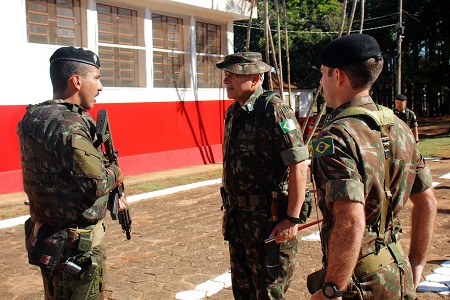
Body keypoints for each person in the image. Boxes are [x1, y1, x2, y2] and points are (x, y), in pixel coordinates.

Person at [309, 34, 437, 300]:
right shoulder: (399, 128)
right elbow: (427, 202)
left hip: (359, 283)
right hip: (397, 270)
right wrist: (416, 263)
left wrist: (333, 288)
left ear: (339, 76)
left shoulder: (337, 136)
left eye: (323, 74)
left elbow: (351, 219)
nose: (322, 83)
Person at [18, 46, 127, 300]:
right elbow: (96, 181)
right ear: (77, 81)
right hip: (73, 248)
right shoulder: (67, 123)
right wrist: (117, 172)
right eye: (97, 78)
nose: (100, 87)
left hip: (48, 238)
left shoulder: (35, 116)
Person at [216, 52, 310, 299]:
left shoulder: (275, 110)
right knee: (243, 293)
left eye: (234, 74)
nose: (227, 79)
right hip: (239, 222)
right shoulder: (233, 113)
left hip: (269, 222)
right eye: (227, 74)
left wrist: (291, 218)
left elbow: (299, 166)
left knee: (269, 293)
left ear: (256, 78)